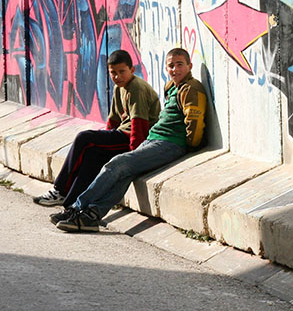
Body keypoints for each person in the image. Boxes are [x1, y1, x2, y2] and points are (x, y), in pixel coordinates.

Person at [51, 47, 207, 232]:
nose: (175, 69)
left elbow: (194, 122)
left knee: (116, 164)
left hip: (169, 144)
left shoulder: (191, 88)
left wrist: (190, 146)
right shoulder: (172, 87)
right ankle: (91, 215)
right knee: (126, 174)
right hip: (154, 139)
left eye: (180, 65)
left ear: (190, 66)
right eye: (171, 66)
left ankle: (76, 208)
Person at [33, 49, 161, 209]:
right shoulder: (118, 88)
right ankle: (71, 203)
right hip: (121, 134)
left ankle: (60, 190)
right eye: (113, 73)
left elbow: (139, 124)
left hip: (134, 139)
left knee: (83, 138)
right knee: (91, 155)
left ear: (132, 70)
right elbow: (114, 120)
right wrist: (103, 139)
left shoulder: (136, 87)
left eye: (122, 72)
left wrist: (134, 156)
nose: (117, 76)